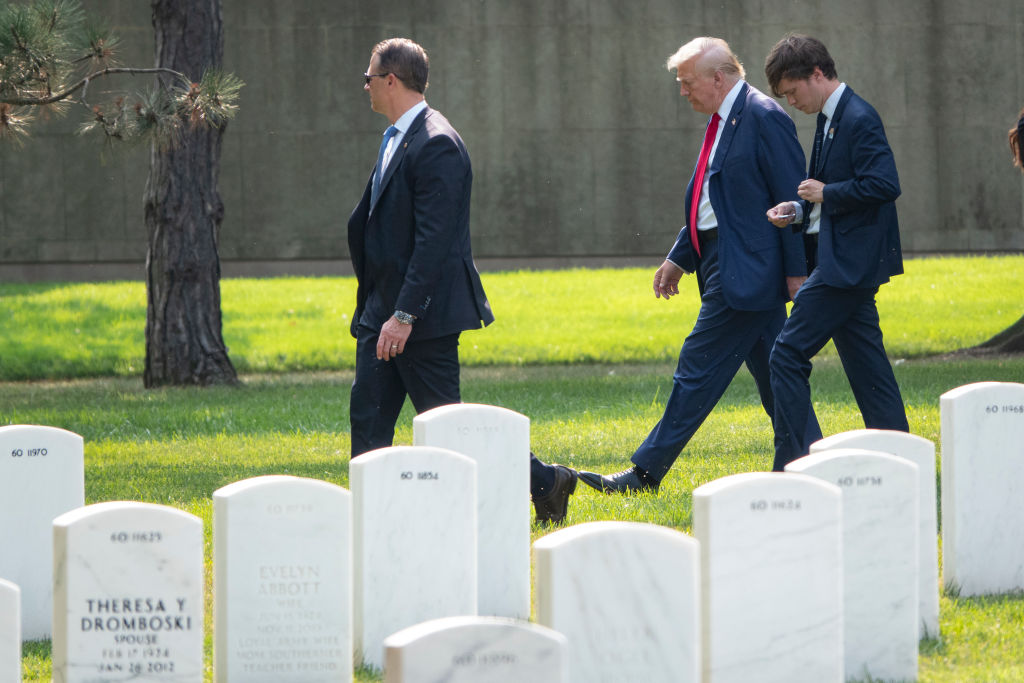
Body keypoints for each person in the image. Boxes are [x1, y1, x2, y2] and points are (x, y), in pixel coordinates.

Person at [348, 38, 576, 523]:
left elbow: (436, 243)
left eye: (368, 77)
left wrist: (405, 315)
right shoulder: (396, 137)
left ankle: (545, 481)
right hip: (380, 313)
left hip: (419, 318)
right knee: (367, 417)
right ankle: (370, 520)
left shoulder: (437, 144)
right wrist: (377, 310)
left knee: (452, 425)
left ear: (390, 80)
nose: (364, 86)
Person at [578, 37, 811, 494]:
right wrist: (679, 257)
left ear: (718, 78)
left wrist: (796, 273)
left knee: (696, 368)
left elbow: (792, 201)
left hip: (747, 272)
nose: (682, 91)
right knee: (777, 375)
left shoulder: (764, 117)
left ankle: (645, 474)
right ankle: (808, 462)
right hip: (730, 263)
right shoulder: (723, 119)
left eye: (687, 82)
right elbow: (717, 204)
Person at [765, 33, 909, 471]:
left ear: (816, 74)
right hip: (844, 261)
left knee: (786, 354)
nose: (791, 102)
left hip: (846, 266)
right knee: (869, 369)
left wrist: (829, 193)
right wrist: (797, 207)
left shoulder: (858, 117)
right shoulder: (832, 118)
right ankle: (902, 455)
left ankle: (792, 464)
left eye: (792, 91)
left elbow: (886, 185)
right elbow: (823, 189)